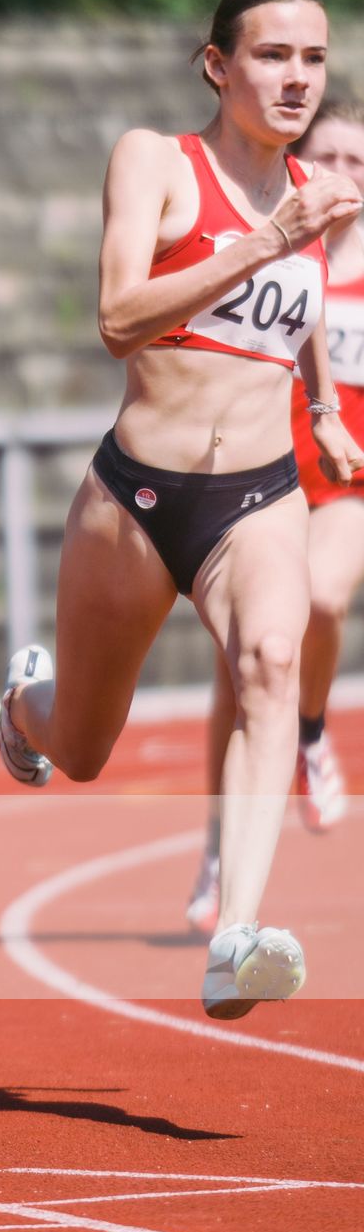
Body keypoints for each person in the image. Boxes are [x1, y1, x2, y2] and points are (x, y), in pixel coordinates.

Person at [0, 0, 363, 1019]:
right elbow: (116, 318)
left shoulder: (310, 197)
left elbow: (291, 321)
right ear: (216, 65)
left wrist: (325, 408)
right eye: (270, 56)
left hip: (256, 495)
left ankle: (234, 934)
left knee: (268, 665)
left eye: (312, 60)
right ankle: (26, 703)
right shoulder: (156, 160)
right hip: (134, 497)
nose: (294, 79)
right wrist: (265, 238)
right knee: (82, 748)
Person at [186, 98, 364, 935]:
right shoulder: (272, 249)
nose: (344, 175)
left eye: (359, 162)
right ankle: (222, 853)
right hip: (256, 482)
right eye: (330, 157)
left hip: (347, 486)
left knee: (322, 601)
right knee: (240, 670)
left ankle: (313, 730)